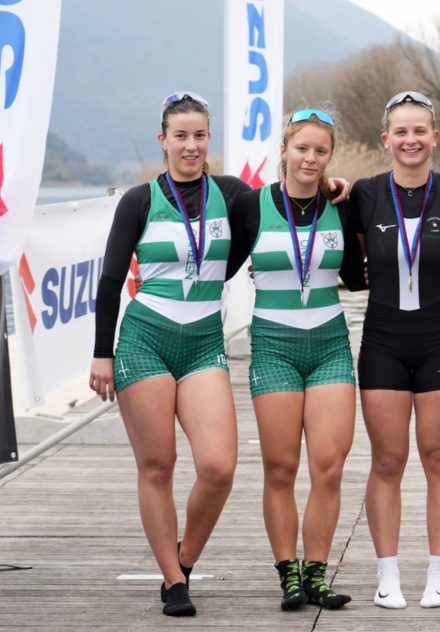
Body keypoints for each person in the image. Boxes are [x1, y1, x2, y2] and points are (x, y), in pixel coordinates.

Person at [88, 92, 249, 617]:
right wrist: (102, 354)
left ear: (209, 138)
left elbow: (284, 202)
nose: (191, 146)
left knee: (219, 467)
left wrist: (335, 189)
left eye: (199, 135)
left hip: (203, 343)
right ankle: (173, 581)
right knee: (158, 465)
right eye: (180, 136)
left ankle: (185, 557)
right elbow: (110, 281)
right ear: (163, 141)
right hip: (145, 341)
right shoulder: (138, 200)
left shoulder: (232, 194)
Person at [231, 108, 365, 611]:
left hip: (329, 345)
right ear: (284, 150)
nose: (310, 158)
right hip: (274, 346)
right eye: (302, 148)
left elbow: (357, 277)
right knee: (281, 469)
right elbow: (216, 266)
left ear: (330, 156)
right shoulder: (252, 206)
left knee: (328, 468)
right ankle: (288, 573)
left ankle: (317, 574)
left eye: (320, 150)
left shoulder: (341, 205)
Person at [348, 91, 440, 609]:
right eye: (401, 131)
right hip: (383, 341)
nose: (411, 140)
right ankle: (388, 576)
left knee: (439, 457)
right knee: (388, 460)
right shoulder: (363, 193)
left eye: (420, 131)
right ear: (386, 139)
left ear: (434, 138)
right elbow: (348, 260)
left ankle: (439, 574)